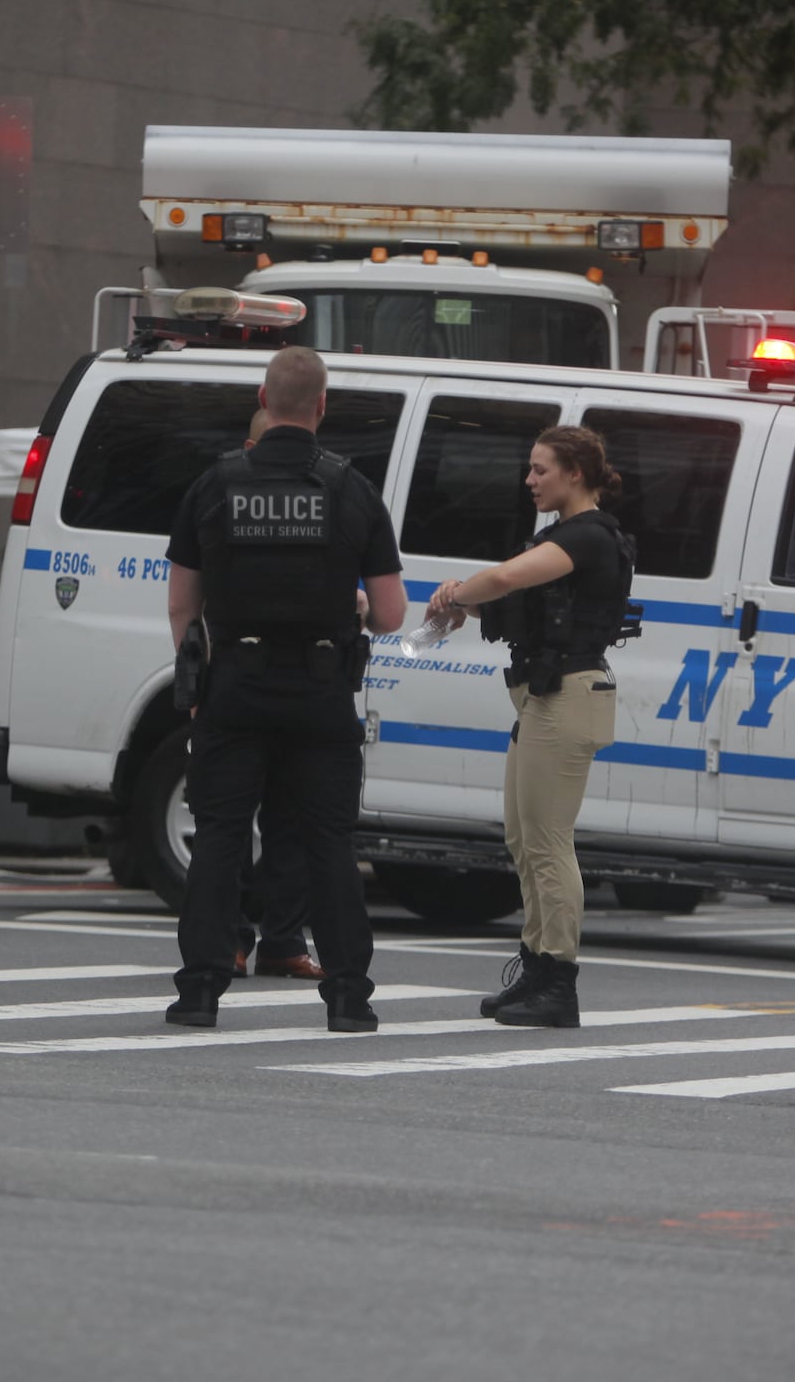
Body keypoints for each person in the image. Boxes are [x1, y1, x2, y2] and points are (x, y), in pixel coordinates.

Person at [163, 346, 405, 1031]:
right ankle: (350, 997)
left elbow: (182, 602)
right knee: (328, 842)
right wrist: (350, 607)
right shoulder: (351, 489)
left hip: (234, 687)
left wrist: (201, 672)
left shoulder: (215, 483)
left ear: (265, 399)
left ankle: (201, 990)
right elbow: (389, 613)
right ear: (322, 405)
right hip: (321, 693)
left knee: (220, 836)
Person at [424, 425, 635, 1029]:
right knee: (523, 838)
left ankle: (558, 982)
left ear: (575, 473)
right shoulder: (564, 538)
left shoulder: (589, 534)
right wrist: (466, 606)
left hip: (568, 698)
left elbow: (511, 576)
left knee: (548, 842)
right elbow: (519, 594)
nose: (530, 480)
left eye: (541, 469)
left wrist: (457, 594)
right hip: (544, 698)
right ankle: (536, 966)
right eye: (530, 468)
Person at [227, 408, 325, 984]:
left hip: (300, 682)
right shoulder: (225, 492)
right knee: (232, 823)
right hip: (244, 679)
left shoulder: (327, 493)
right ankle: (235, 941)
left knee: (290, 821)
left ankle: (281, 940)